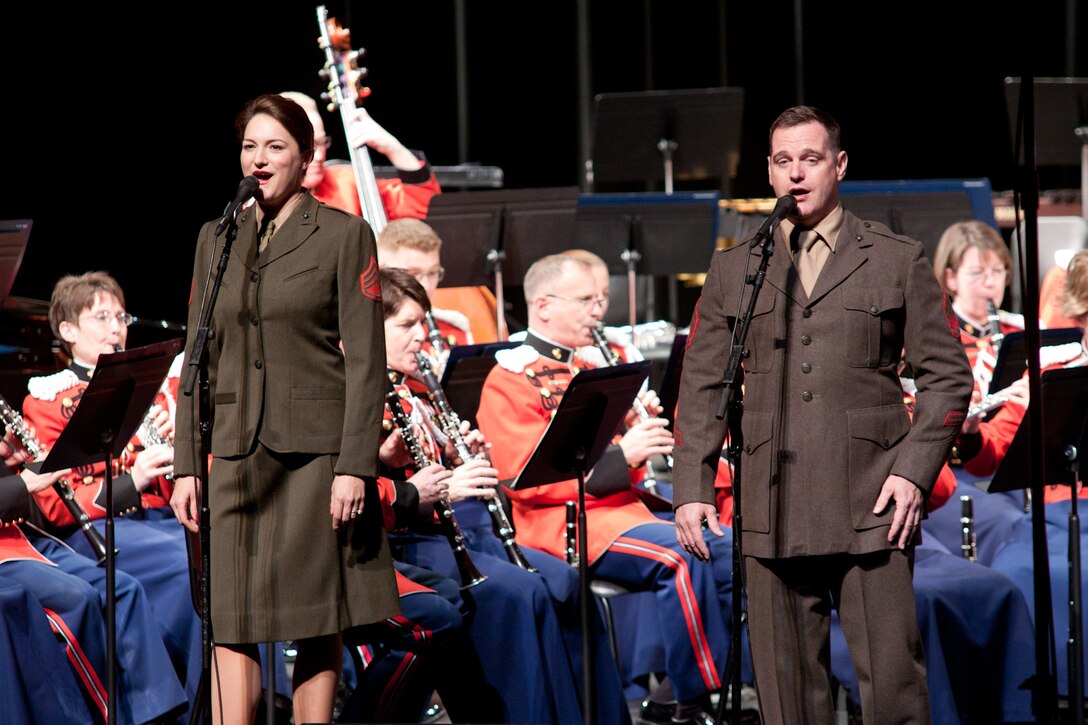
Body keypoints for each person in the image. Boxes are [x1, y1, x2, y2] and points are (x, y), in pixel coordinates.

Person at [672, 106, 973, 724]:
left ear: (838, 165)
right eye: (784, 162)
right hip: (771, 501)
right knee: (786, 698)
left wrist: (913, 473)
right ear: (769, 171)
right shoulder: (736, 269)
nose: (796, 174)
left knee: (893, 689)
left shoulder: (895, 257)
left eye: (810, 160)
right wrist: (692, 488)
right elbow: (703, 388)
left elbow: (947, 378)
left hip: (872, 498)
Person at [171, 93, 399, 725]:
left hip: (313, 454)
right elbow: (198, 358)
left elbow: (367, 362)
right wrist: (188, 464)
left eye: (275, 146)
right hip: (237, 454)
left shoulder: (345, 235)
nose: (260, 159)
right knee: (233, 615)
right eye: (250, 146)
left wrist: (356, 466)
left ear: (304, 160)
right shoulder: (215, 238)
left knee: (315, 613)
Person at [476, 253, 731, 725]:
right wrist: (625, 454)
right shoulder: (508, 379)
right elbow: (526, 483)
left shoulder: (591, 365)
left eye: (602, 300)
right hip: (566, 525)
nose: (599, 312)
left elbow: (624, 469)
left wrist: (639, 434)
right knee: (680, 556)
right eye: (587, 301)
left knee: (739, 552)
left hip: (623, 513)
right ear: (544, 305)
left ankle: (686, 689)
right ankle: (696, 702)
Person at [377, 266, 630, 724]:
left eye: (422, 324)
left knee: (568, 584)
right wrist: (440, 482)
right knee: (521, 593)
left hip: (465, 529)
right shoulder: (368, 394)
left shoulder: (415, 390)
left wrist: (460, 455)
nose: (422, 337)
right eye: (407, 326)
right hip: (409, 541)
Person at [20, 271, 202, 714]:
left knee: (222, 550)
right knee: (193, 567)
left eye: (120, 316)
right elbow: (56, 503)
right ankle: (197, 706)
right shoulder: (48, 398)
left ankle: (242, 696)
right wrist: (131, 482)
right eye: (100, 317)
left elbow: (175, 481)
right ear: (67, 331)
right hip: (101, 529)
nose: (116, 327)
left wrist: (179, 451)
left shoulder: (149, 385)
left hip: (158, 521)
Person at [0, 428, 189, 724]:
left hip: (20, 537)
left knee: (122, 588)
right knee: (79, 599)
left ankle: (159, 716)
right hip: (5, 553)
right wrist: (22, 484)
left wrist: (8, 462)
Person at [278, 91, 440, 221]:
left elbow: (422, 206)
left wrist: (393, 148)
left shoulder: (347, 181)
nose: (319, 155)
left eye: (321, 142)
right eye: (308, 145)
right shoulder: (259, 198)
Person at [933, 220, 1024, 395]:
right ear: (951, 278)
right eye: (977, 273)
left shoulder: (1020, 331)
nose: (990, 283)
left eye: (997, 271)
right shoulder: (935, 337)